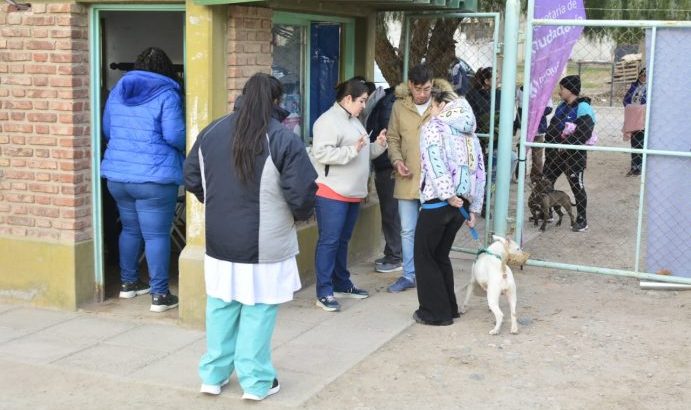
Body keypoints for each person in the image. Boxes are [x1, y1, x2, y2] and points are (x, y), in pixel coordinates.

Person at [184, 73, 317, 400]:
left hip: (219, 240)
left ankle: (212, 376)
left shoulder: (211, 132)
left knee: (221, 305)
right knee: (258, 310)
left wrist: (214, 202)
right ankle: (256, 381)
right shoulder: (283, 138)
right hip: (265, 243)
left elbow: (190, 178)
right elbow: (302, 194)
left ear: (242, 96)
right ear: (276, 102)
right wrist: (298, 217)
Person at [101, 47, 184, 312]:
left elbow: (107, 129)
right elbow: (175, 135)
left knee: (130, 229)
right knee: (157, 234)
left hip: (117, 175)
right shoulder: (167, 94)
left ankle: (129, 284)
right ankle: (160, 295)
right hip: (154, 178)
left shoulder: (118, 91)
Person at [311, 78, 388, 312]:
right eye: (362, 101)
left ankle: (341, 283)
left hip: (352, 193)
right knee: (329, 241)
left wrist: (379, 145)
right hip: (332, 192)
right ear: (347, 99)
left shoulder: (353, 121)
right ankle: (323, 291)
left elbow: (362, 153)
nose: (364, 105)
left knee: (341, 242)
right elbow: (322, 154)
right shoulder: (327, 121)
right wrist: (351, 150)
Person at [414, 89, 485, 326]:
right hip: (460, 205)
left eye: (433, 106)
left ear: (442, 105)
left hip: (438, 201)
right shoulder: (470, 134)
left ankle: (434, 313)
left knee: (424, 257)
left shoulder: (434, 127)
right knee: (440, 255)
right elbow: (480, 172)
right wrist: (473, 208)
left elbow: (435, 162)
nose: (431, 111)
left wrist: (447, 193)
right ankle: (449, 308)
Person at [386, 64, 455, 293]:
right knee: (407, 230)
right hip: (407, 178)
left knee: (432, 230)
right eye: (418, 89)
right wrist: (397, 161)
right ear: (410, 86)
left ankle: (430, 271)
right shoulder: (398, 107)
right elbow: (393, 139)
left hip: (435, 182)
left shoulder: (442, 106)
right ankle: (409, 274)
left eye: (426, 88)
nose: (422, 94)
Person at [543, 75, 596, 233]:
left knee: (576, 187)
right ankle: (548, 212)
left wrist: (565, 145)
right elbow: (552, 127)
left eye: (562, 88)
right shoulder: (561, 107)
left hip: (573, 156)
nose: (560, 92)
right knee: (546, 181)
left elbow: (584, 132)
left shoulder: (583, 107)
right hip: (555, 155)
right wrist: (552, 144)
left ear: (571, 90)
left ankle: (581, 219)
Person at [366, 86, 402, 273]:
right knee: (392, 213)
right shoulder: (387, 101)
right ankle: (392, 252)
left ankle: (395, 256)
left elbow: (389, 136)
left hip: (388, 165)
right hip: (388, 164)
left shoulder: (388, 103)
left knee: (391, 213)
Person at [623, 67, 647, 176]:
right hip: (633, 118)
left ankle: (641, 167)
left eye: (646, 75)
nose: (643, 77)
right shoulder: (634, 86)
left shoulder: (651, 87)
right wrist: (632, 107)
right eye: (642, 75)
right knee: (635, 142)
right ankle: (635, 166)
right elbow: (626, 100)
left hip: (644, 118)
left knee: (642, 143)